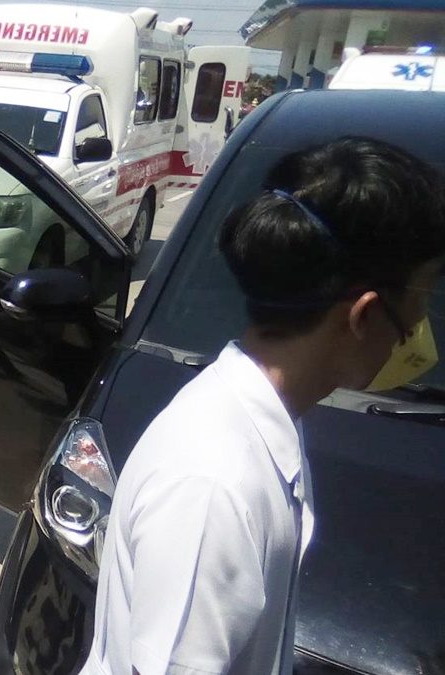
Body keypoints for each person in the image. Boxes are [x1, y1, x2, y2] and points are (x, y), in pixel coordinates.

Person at [81, 137, 445, 675]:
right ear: (364, 315)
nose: (418, 331)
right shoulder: (214, 484)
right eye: (420, 302)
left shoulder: (257, 424)